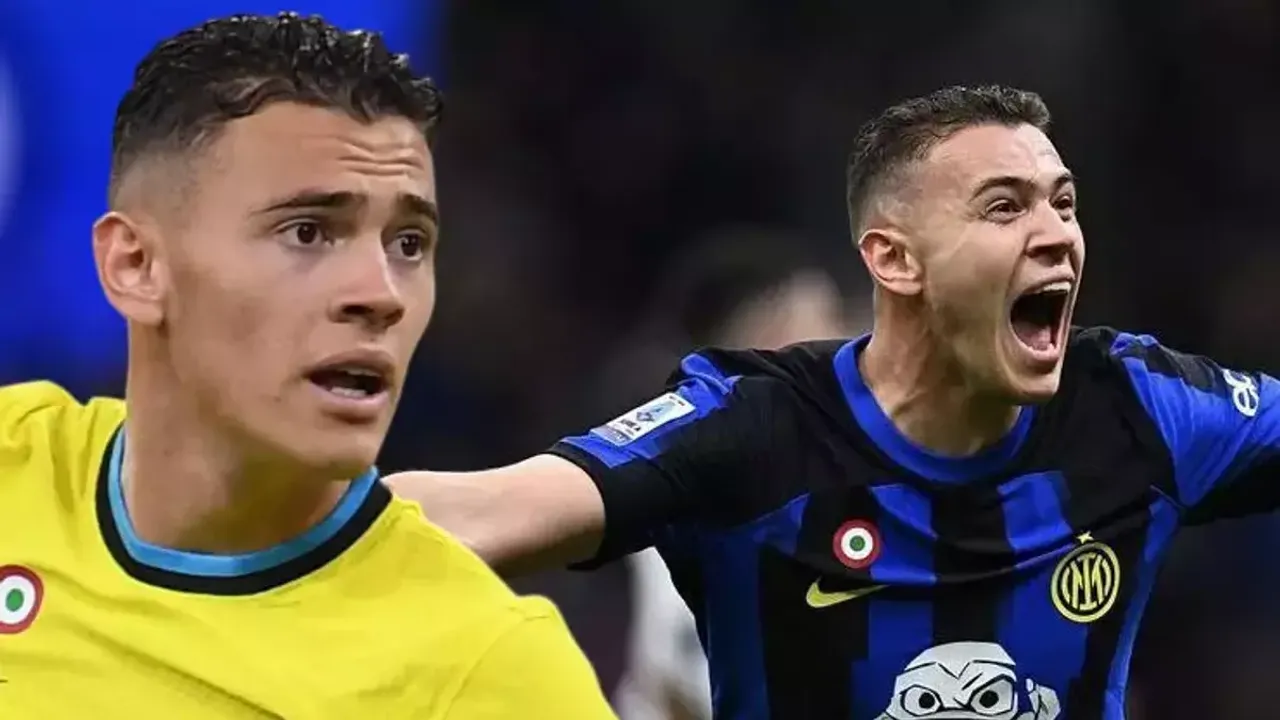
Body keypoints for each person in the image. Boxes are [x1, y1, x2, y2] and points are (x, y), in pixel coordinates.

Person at [392, 84, 1280, 720]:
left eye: (1064, 203)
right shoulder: (757, 429)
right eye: (1004, 208)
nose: (1055, 234)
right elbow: (486, 509)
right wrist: (303, 508)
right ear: (894, 259)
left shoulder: (1135, 407)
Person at [0, 13, 612, 719]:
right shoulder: (16, 466)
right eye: (309, 231)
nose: (380, 295)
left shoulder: (482, 674)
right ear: (135, 266)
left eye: (409, 243)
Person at [605, 229, 859, 720]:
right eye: (825, 321)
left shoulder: (841, 485)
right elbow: (689, 684)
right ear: (767, 344)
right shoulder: (691, 511)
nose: (849, 343)